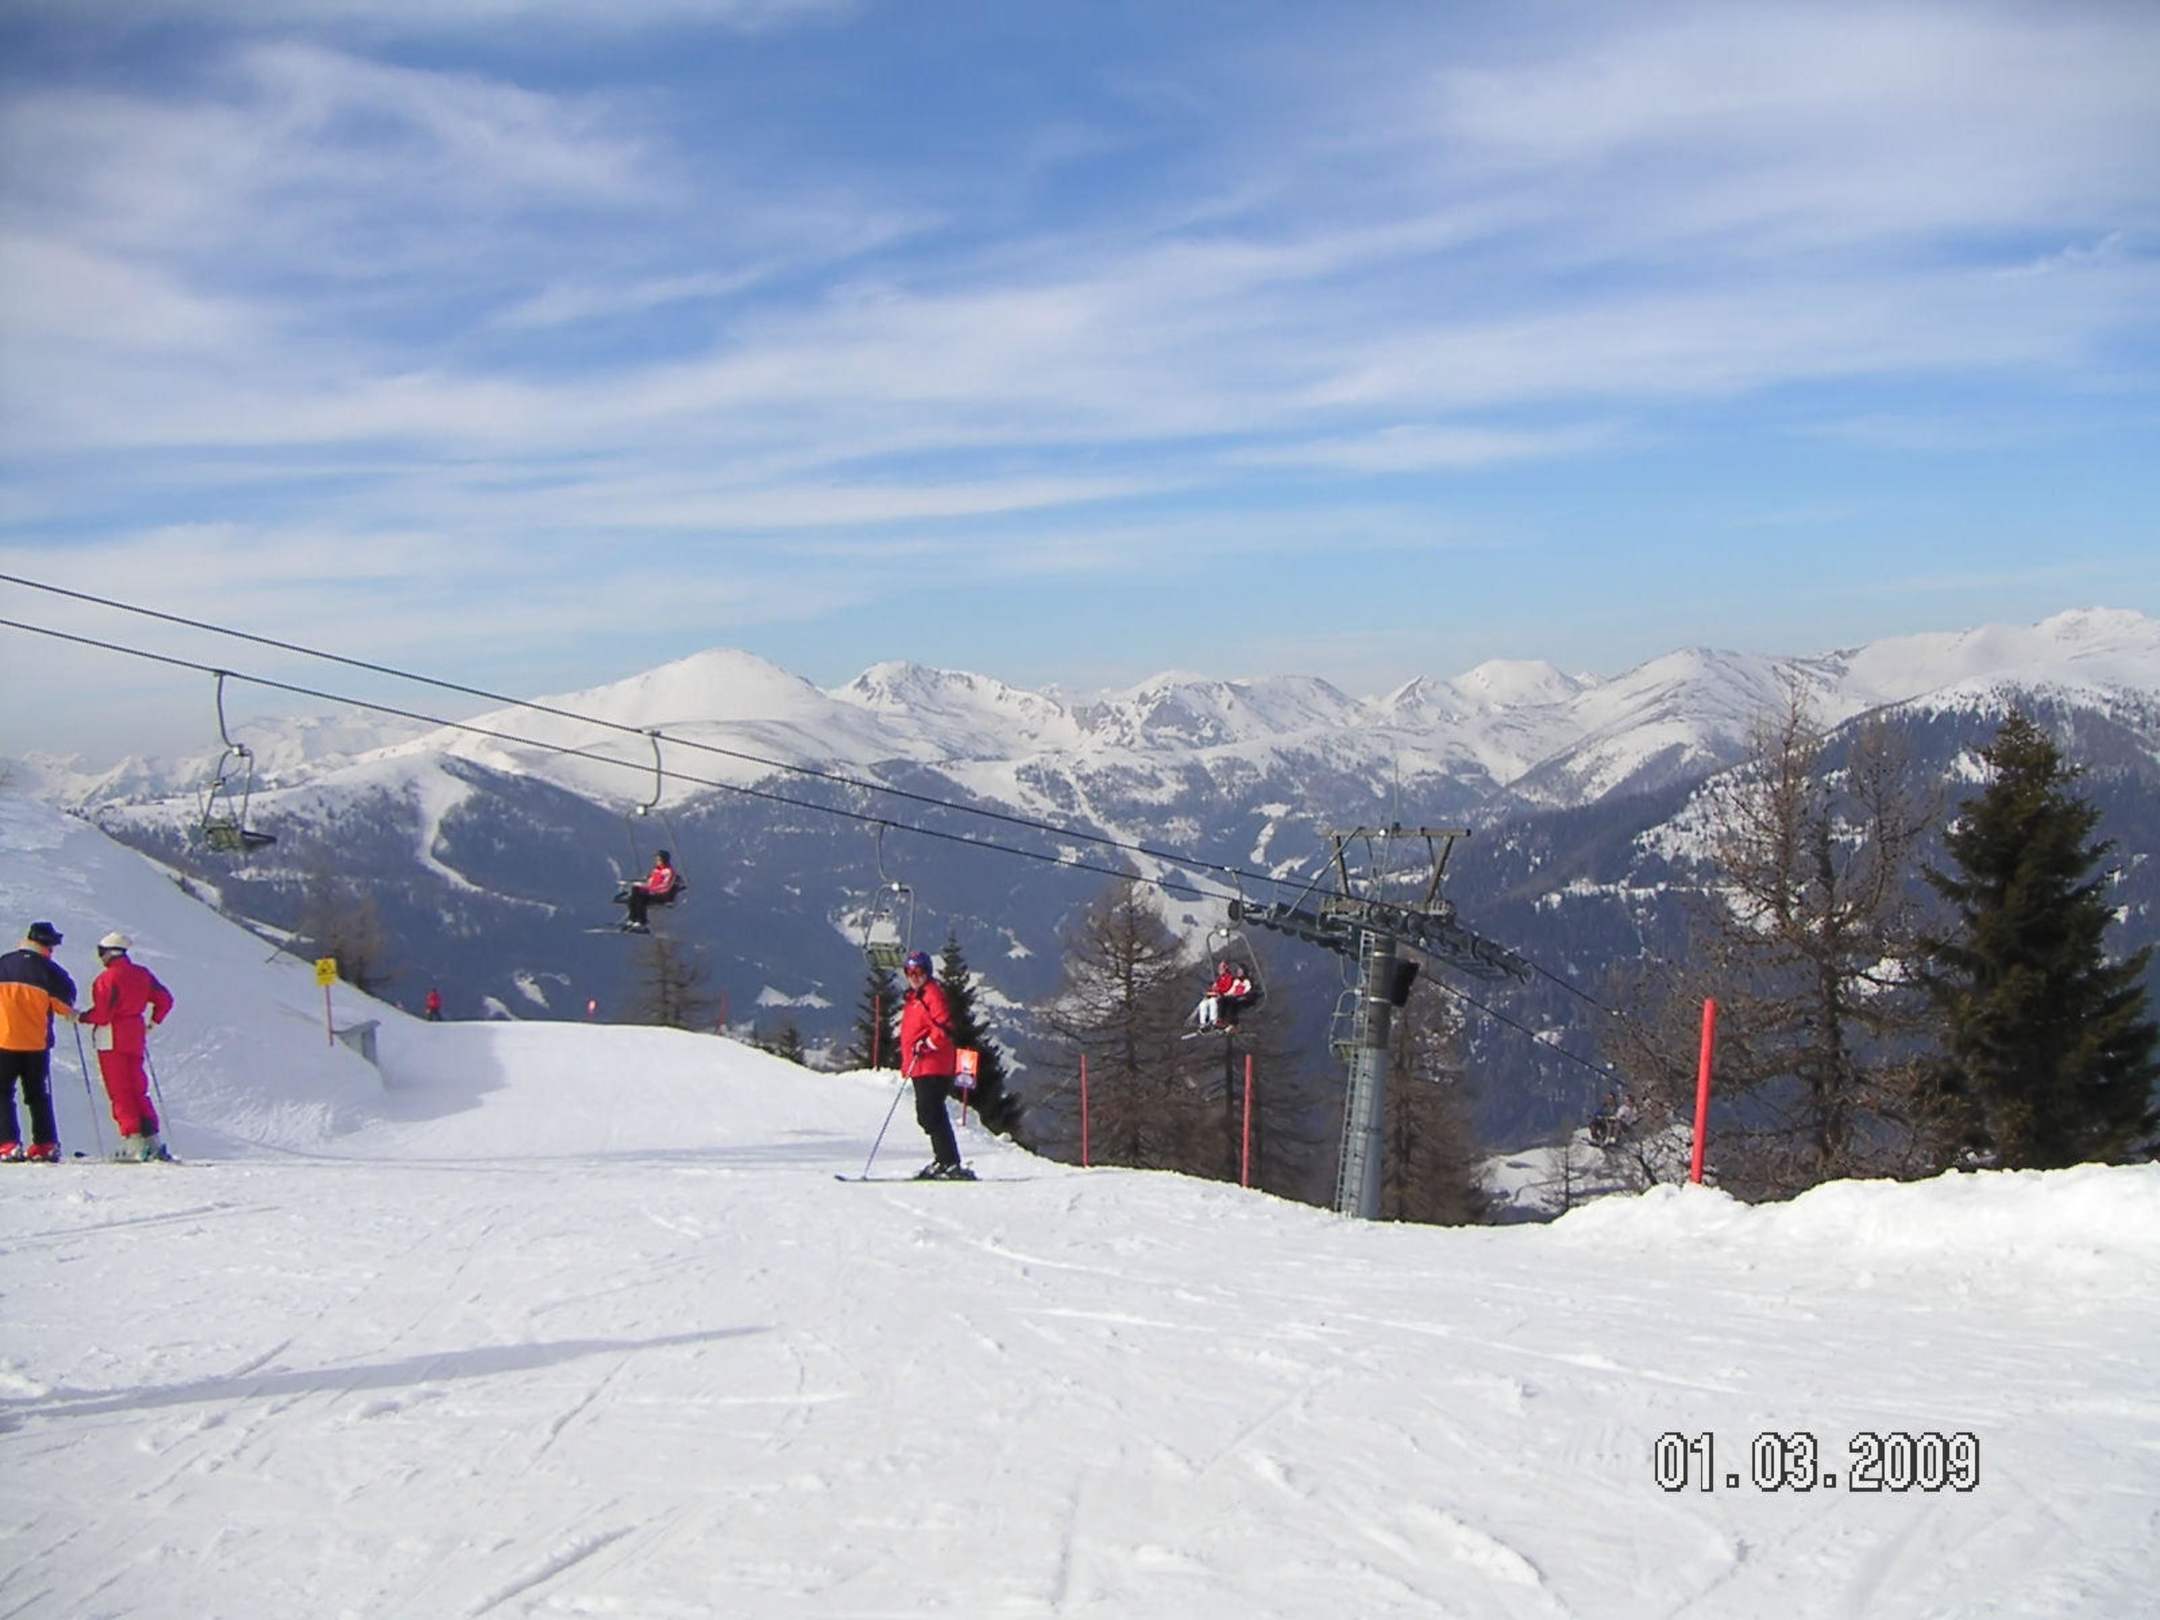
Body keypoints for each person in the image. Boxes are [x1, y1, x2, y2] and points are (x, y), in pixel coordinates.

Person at [79, 932, 175, 1161]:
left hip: (111, 1037)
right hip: (135, 1034)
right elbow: (165, 999)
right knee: (138, 1088)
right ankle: (152, 1139)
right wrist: (153, 1022)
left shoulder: (107, 978)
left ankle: (133, 1141)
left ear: (107, 953)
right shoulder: (142, 974)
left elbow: (103, 1015)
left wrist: (81, 1017)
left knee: (120, 1090)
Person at [1, 921, 80, 1163]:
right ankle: (45, 1144)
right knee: (38, 1095)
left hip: (3, 1041)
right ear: (48, 946)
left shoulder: (3, 963)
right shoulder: (52, 972)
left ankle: (8, 1144)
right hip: (36, 1044)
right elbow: (66, 1006)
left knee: (2, 1094)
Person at [898, 949, 973, 1180]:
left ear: (928, 972)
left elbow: (945, 1027)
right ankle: (944, 1160)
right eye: (909, 972)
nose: (914, 976)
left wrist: (927, 1044)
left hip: (934, 1065)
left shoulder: (931, 995)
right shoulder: (915, 997)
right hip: (921, 1066)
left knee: (931, 1113)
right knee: (928, 1114)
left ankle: (949, 1162)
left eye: (919, 971)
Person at [617, 849, 680, 931]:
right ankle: (632, 919)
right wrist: (641, 886)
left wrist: (651, 890)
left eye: (658, 859)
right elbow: (649, 882)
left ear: (664, 860)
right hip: (652, 893)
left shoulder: (669, 872)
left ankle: (642, 922)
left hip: (662, 895)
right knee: (634, 893)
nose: (656, 861)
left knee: (641, 898)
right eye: (656, 859)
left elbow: (666, 886)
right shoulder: (656, 870)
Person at [1192, 961, 1239, 1030]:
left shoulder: (1229, 977)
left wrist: (1217, 990)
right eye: (1219, 969)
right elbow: (1213, 988)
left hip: (1222, 995)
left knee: (1212, 1001)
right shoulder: (1219, 978)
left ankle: (1213, 1021)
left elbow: (1226, 988)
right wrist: (1210, 992)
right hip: (1215, 995)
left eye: (1221, 969)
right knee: (1203, 1004)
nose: (1219, 970)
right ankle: (1203, 1023)